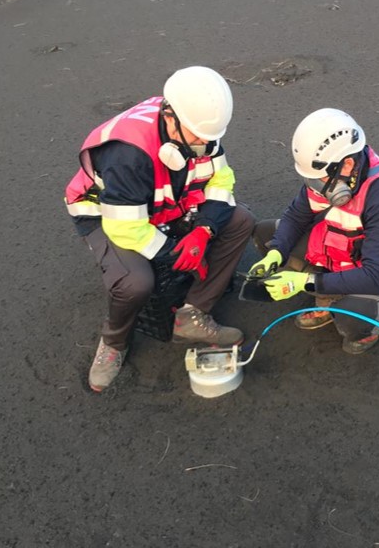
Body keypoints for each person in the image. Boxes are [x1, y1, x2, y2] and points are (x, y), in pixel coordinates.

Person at [64, 66, 256, 392]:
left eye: (210, 139)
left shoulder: (201, 128)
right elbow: (125, 229)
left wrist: (204, 232)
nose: (203, 145)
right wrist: (175, 254)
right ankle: (114, 343)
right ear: (169, 116)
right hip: (108, 216)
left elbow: (222, 182)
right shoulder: (127, 154)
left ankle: (192, 314)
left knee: (241, 221)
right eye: (197, 138)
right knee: (136, 282)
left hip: (161, 205)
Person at [249, 108, 379, 354]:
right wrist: (275, 253)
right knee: (267, 233)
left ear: (347, 164)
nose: (314, 188)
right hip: (343, 252)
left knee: (353, 318)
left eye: (318, 179)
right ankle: (330, 292)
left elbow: (375, 276)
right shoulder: (330, 178)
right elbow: (296, 217)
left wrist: (305, 282)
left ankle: (366, 327)